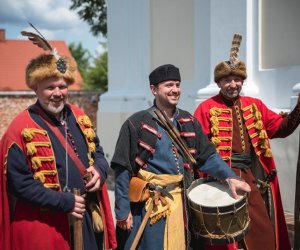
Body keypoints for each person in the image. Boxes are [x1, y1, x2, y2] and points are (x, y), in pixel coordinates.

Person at [110, 64, 251, 250]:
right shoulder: (136, 123)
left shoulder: (189, 121)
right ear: (154, 89)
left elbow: (208, 156)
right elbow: (123, 168)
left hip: (185, 205)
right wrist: (122, 210)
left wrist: (229, 177)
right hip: (153, 207)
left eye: (177, 85)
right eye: (169, 85)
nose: (175, 90)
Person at [0, 30, 117, 250]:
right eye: (49, 87)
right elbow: (19, 183)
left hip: (85, 220)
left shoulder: (80, 116)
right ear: (36, 88)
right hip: (46, 224)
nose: (57, 93)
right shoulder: (20, 128)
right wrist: (64, 202)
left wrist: (100, 172)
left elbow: (98, 153)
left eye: (62, 86)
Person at [194, 34, 296, 250]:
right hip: (220, 178)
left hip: (251, 177)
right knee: (227, 236)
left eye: (237, 79)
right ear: (219, 83)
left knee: (262, 232)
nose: (233, 84)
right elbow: (197, 149)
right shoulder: (205, 108)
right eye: (227, 80)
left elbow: (280, 128)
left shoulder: (255, 105)